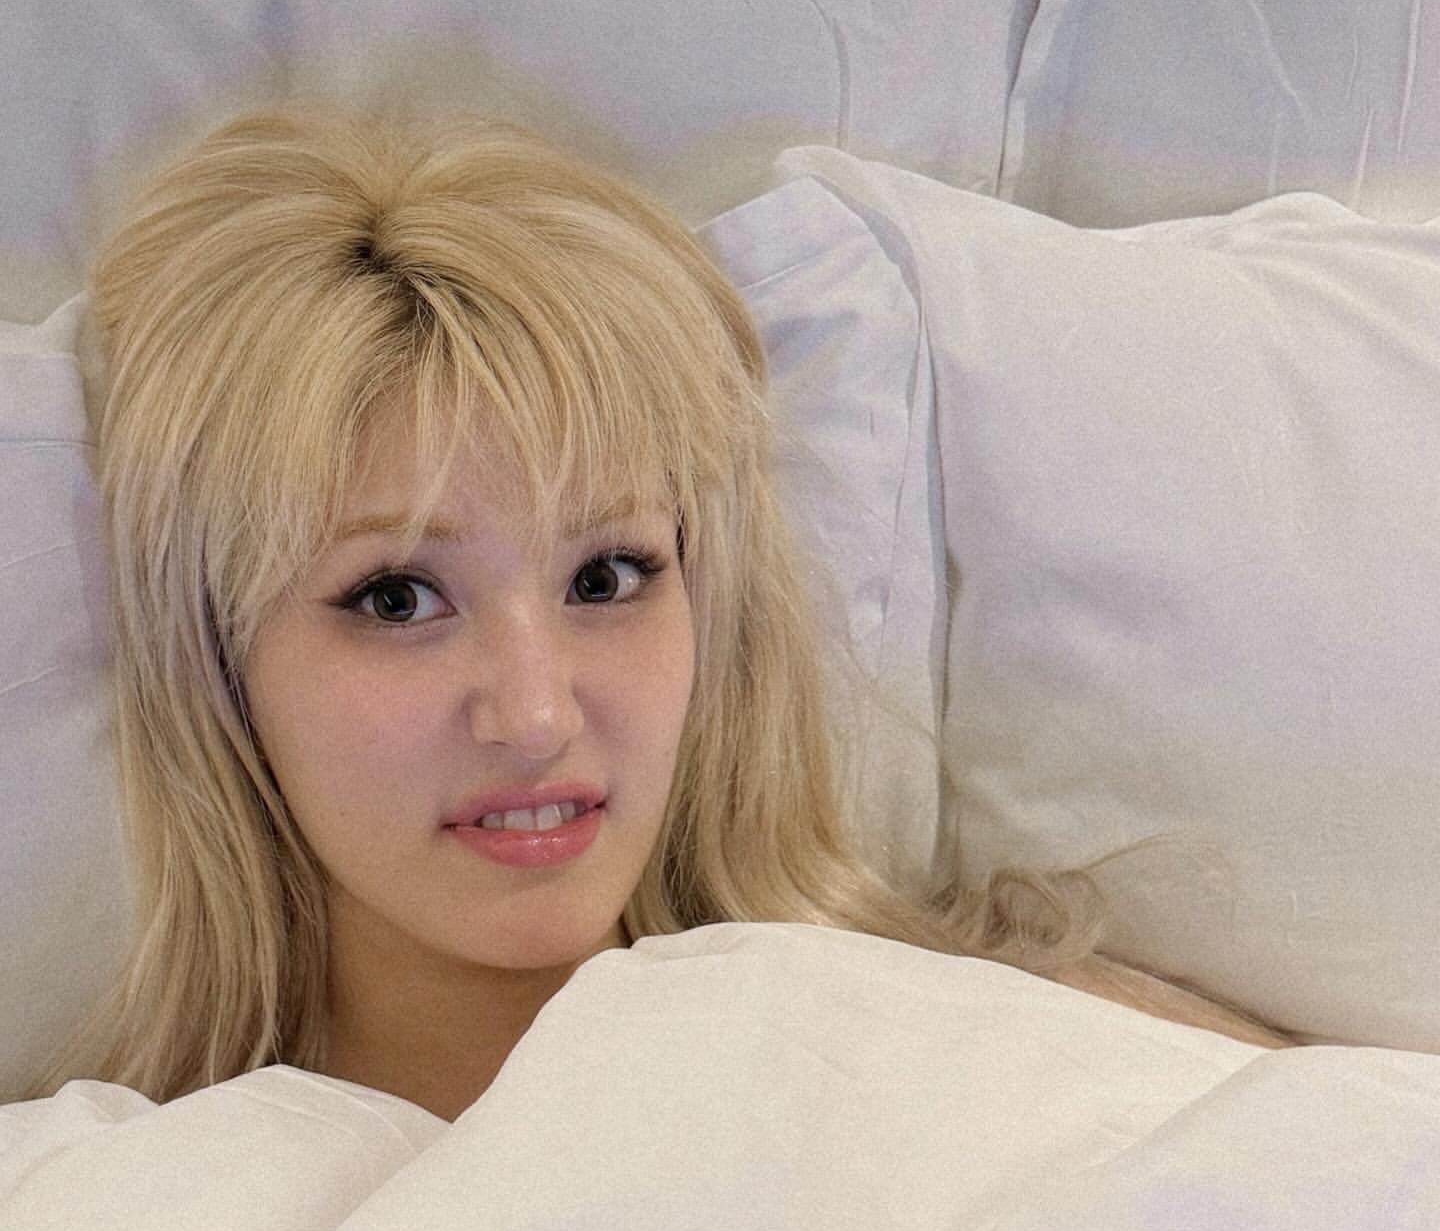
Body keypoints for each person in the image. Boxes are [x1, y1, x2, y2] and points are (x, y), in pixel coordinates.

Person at [19, 103, 1290, 1122]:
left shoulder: (1046, 1051)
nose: (535, 715)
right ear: (217, 660)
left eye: (608, 578)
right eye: (398, 598)